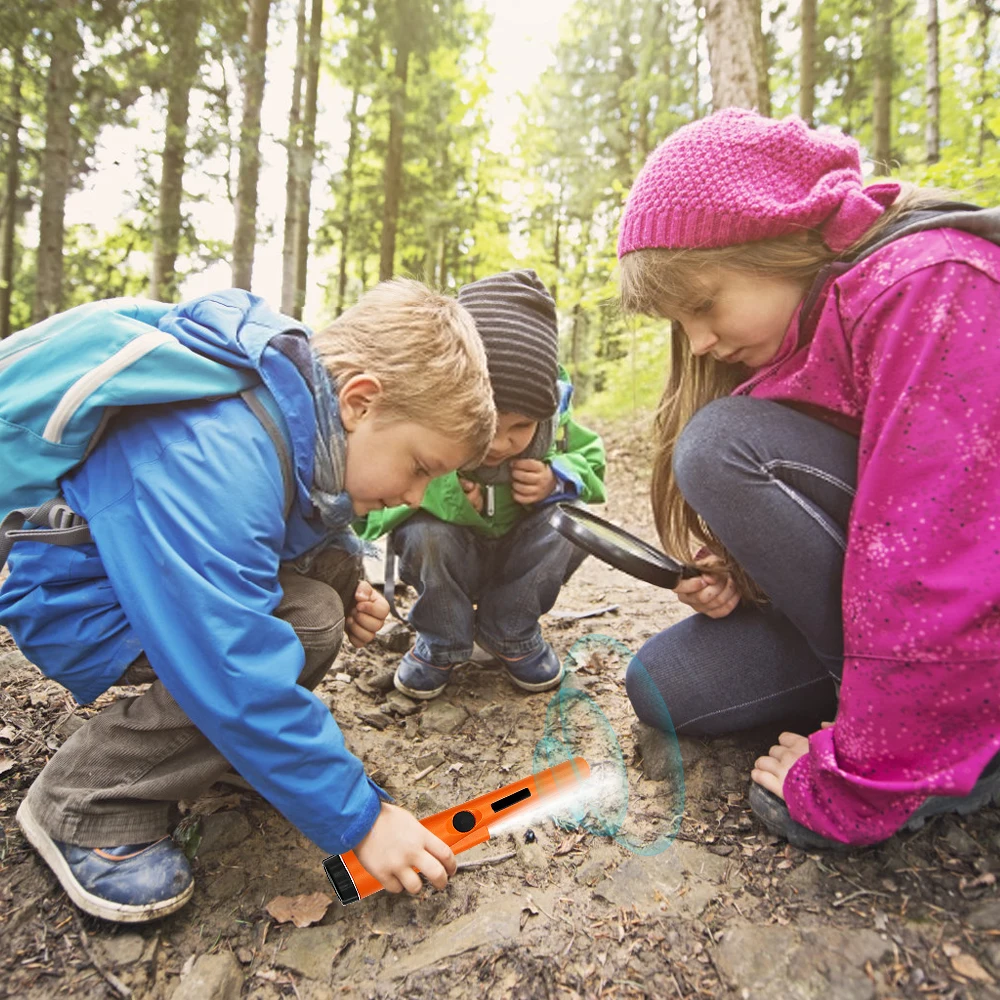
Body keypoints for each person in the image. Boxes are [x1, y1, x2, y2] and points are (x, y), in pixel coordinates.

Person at [0, 280, 496, 921]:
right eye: (421, 466)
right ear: (360, 402)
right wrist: (362, 820)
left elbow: (302, 512)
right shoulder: (215, 456)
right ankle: (85, 798)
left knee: (332, 577)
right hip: (73, 600)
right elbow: (231, 663)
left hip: (121, 573)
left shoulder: (286, 411)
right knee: (305, 625)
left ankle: (227, 754)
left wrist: (348, 573)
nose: (419, 496)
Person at [616, 107, 1000, 849]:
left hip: (963, 627)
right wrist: (746, 570)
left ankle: (946, 744)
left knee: (718, 445)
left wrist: (865, 775)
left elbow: (933, 560)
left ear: (774, 242)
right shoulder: (802, 336)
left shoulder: (927, 286)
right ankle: (884, 704)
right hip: (879, 631)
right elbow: (846, 516)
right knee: (664, 686)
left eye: (702, 305)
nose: (699, 341)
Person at [358, 269, 607, 700]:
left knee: (574, 520)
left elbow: (593, 465)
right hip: (452, 562)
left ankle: (510, 631)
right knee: (423, 533)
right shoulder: (425, 432)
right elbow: (375, 513)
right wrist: (446, 493)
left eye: (522, 426)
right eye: (487, 421)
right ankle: (442, 638)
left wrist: (557, 478)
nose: (501, 442)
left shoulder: (556, 424)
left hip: (520, 561)